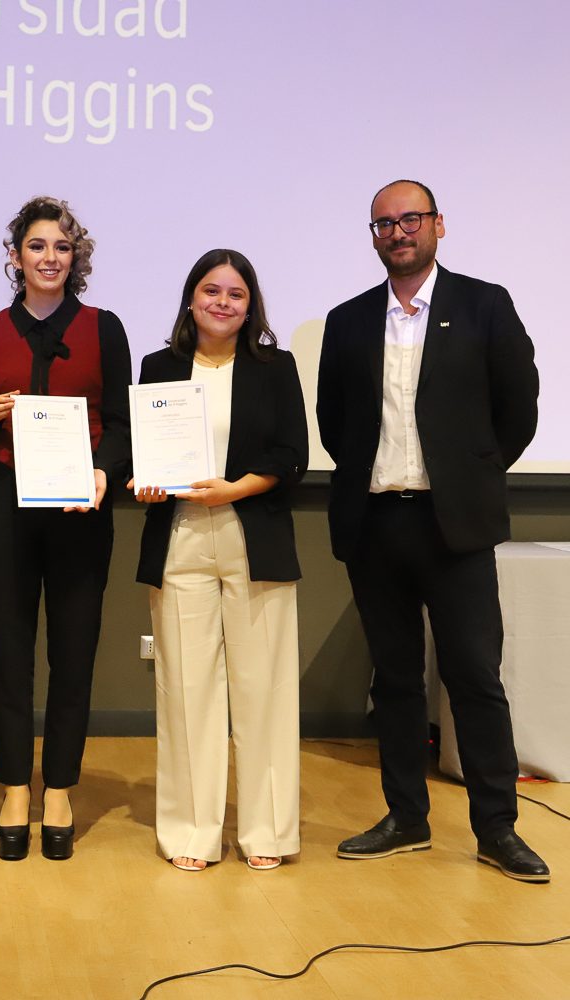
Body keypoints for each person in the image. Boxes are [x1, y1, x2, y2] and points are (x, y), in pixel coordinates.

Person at [316, 179, 549, 882]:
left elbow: (519, 411)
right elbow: (335, 421)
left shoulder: (485, 305)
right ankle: (406, 818)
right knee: (393, 681)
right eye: (383, 224)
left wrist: (466, 474)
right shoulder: (349, 319)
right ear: (374, 236)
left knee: (475, 677)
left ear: (438, 225)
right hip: (376, 522)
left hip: (457, 526)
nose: (397, 232)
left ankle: (497, 828)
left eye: (410, 218)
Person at [0, 196, 131, 861]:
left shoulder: (103, 326)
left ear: (76, 257)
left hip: (79, 506)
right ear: (15, 257)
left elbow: (120, 423)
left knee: (74, 651)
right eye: (37, 246)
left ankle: (58, 787)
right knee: (8, 652)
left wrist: (103, 473)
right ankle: (13, 786)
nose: (49, 258)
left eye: (62, 247)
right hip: (5, 500)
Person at [133, 249, 308, 872]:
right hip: (179, 538)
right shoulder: (159, 367)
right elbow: (139, 456)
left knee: (264, 689)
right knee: (186, 691)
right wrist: (146, 481)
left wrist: (235, 489)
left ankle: (266, 833)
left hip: (252, 534)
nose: (223, 303)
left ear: (250, 305)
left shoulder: (276, 366)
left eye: (236, 294)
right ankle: (191, 833)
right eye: (212, 291)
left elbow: (294, 456)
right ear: (190, 299)